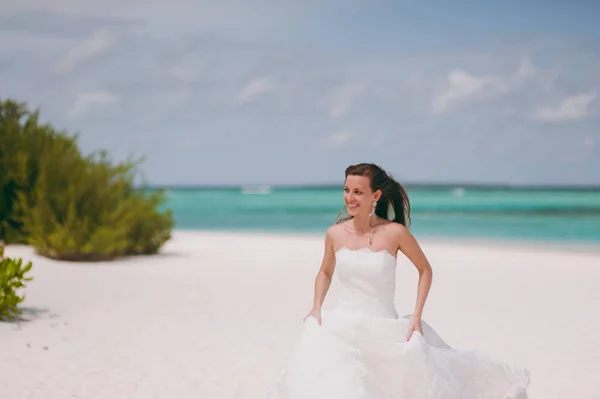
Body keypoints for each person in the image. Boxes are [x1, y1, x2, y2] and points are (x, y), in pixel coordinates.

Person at [265, 162, 531, 399]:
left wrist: (416, 316)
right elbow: (325, 272)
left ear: (375, 195)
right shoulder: (334, 234)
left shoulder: (395, 233)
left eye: (358, 192)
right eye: (347, 190)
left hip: (385, 330)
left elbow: (425, 270)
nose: (350, 197)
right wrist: (316, 306)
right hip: (342, 327)